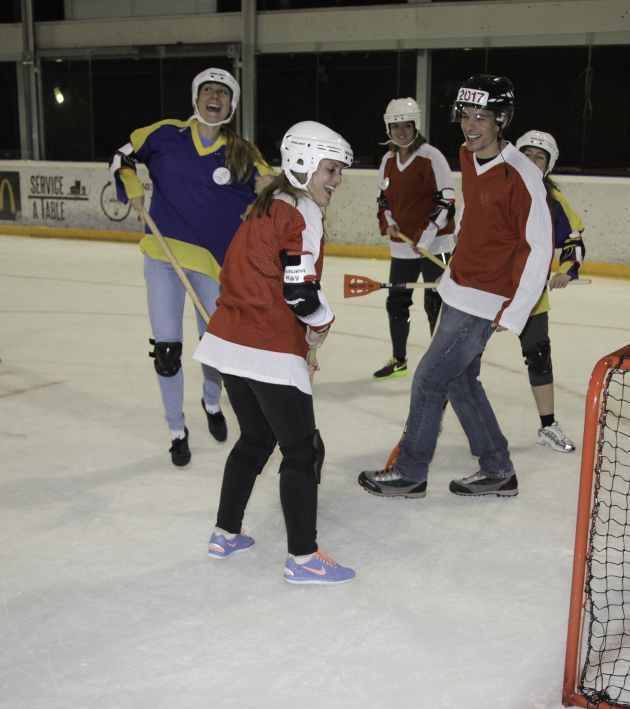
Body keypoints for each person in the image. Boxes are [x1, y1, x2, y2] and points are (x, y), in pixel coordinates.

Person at [358, 75, 552, 498]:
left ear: (501, 119)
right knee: (460, 381)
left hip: (486, 299)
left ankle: (410, 472)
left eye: (481, 117)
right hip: (460, 286)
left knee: (428, 377)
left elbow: (539, 247)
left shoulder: (522, 175)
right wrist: (453, 263)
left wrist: (515, 311)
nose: (470, 125)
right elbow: (471, 218)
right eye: (465, 115)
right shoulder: (468, 156)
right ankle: (497, 468)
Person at [193, 121, 356, 585]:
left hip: (226, 343)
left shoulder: (267, 203)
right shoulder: (301, 211)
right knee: (302, 450)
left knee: (255, 438)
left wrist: (299, 328)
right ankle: (303, 559)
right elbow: (300, 290)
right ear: (304, 164)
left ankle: (225, 533)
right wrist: (319, 324)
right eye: (331, 169)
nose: (338, 180)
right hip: (264, 347)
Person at [110, 68, 277, 467]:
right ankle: (176, 429)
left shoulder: (242, 150)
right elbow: (123, 155)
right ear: (196, 97)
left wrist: (268, 186)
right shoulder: (167, 134)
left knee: (215, 348)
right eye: (208, 90)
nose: (214, 96)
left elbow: (270, 188)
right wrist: (130, 182)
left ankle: (210, 400)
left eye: (223, 92)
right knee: (166, 351)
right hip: (163, 254)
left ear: (231, 105)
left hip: (212, 266)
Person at [373, 98, 456, 379]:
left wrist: (426, 235)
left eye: (406, 125)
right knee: (397, 301)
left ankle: (441, 365)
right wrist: (390, 223)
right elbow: (382, 199)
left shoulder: (432, 156)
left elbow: (447, 201)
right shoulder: (387, 160)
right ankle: (399, 359)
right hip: (403, 248)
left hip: (436, 246)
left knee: (436, 304)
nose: (401, 131)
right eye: (395, 126)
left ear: (415, 126)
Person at [515, 130, 586, 453]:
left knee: (539, 356)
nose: (531, 161)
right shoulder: (495, 187)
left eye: (539, 156)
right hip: (488, 292)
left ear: (548, 165)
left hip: (531, 294)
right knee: (461, 356)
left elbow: (573, 238)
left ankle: (548, 426)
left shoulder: (551, 199)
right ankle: (436, 416)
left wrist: (567, 269)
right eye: (526, 153)